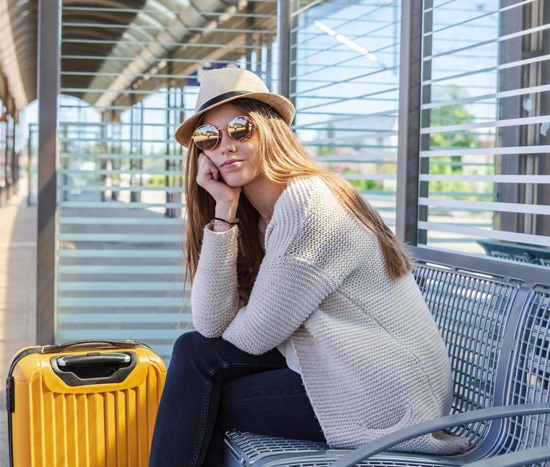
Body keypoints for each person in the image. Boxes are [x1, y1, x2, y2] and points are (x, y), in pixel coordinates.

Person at [148, 68, 469, 466]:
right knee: (195, 355)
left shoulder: (308, 205)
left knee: (198, 391)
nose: (225, 146)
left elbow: (252, 338)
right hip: (341, 368)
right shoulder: (262, 216)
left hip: (385, 396)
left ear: (271, 130)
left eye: (239, 129)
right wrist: (224, 211)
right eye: (209, 138)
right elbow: (211, 326)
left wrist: (241, 317)